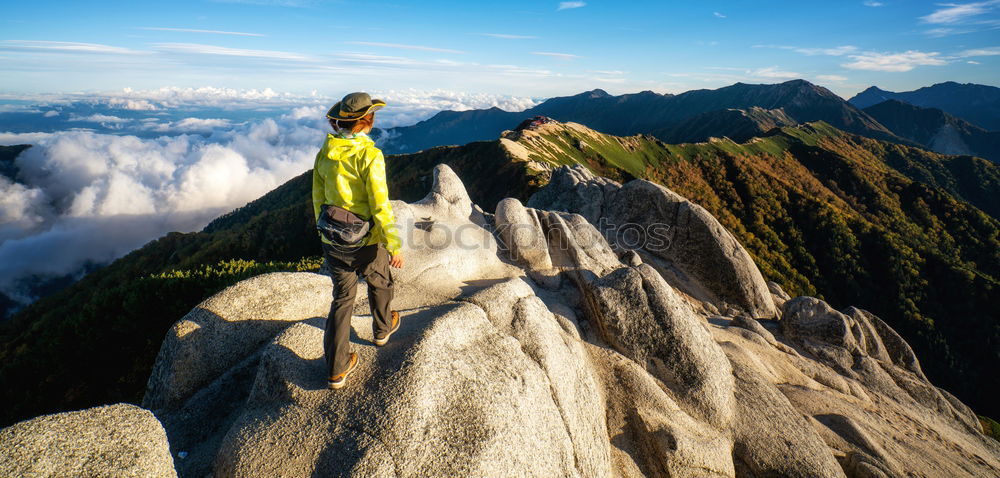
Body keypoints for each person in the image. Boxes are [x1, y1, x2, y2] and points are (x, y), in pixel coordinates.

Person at [312, 92, 404, 390]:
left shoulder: (326, 151)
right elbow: (380, 204)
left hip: (332, 237)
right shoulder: (369, 155)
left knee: (342, 299)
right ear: (368, 120)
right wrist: (393, 244)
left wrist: (323, 232)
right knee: (380, 281)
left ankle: (336, 369)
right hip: (364, 239)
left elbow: (318, 197)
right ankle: (381, 329)